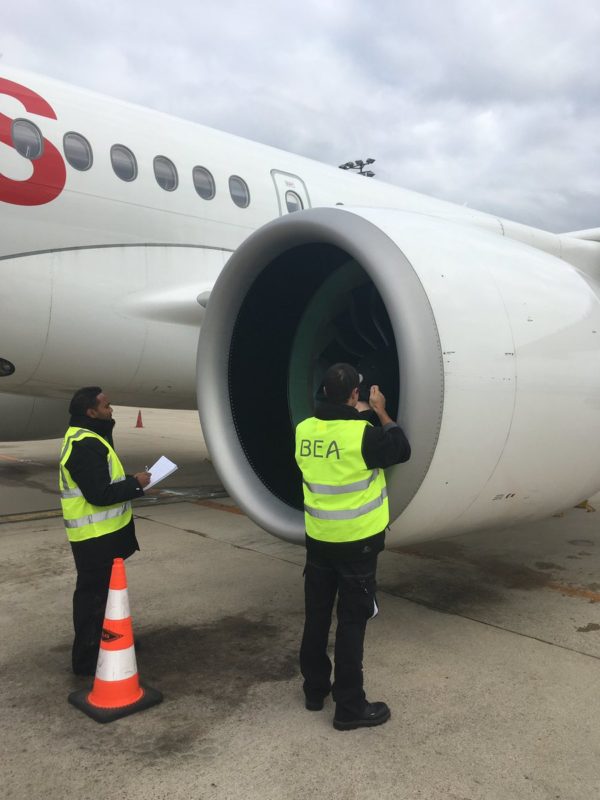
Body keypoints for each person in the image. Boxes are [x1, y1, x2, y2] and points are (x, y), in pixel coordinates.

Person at [295, 362, 411, 730]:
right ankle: (349, 706)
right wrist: (379, 411)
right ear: (355, 395)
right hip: (357, 545)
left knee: (316, 617)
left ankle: (315, 691)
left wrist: (353, 413)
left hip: (319, 542)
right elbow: (401, 447)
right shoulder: (363, 434)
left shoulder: (304, 430)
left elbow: (328, 444)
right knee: (350, 624)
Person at [59, 387, 151, 676]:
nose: (111, 411)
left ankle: (112, 641)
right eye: (107, 406)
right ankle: (87, 660)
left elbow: (103, 478)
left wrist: (129, 479)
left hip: (104, 535)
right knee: (93, 599)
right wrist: (136, 484)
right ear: (91, 412)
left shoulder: (91, 437)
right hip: (94, 539)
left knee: (107, 597)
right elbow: (99, 493)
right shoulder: (85, 444)